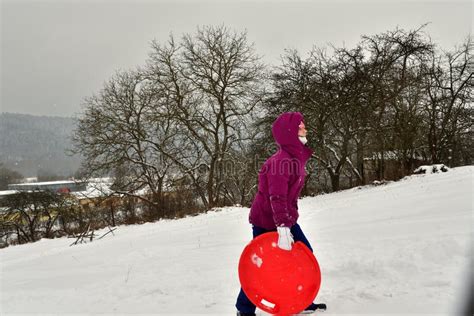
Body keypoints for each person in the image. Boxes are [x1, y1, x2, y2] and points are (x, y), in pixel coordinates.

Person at [235, 111, 326, 316]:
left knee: (304, 253)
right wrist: (283, 227)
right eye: (301, 126)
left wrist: (287, 221)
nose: (305, 128)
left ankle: (300, 301)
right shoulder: (281, 162)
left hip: (285, 218)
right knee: (261, 265)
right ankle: (244, 309)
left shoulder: (295, 158)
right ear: (290, 132)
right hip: (266, 220)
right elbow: (276, 196)